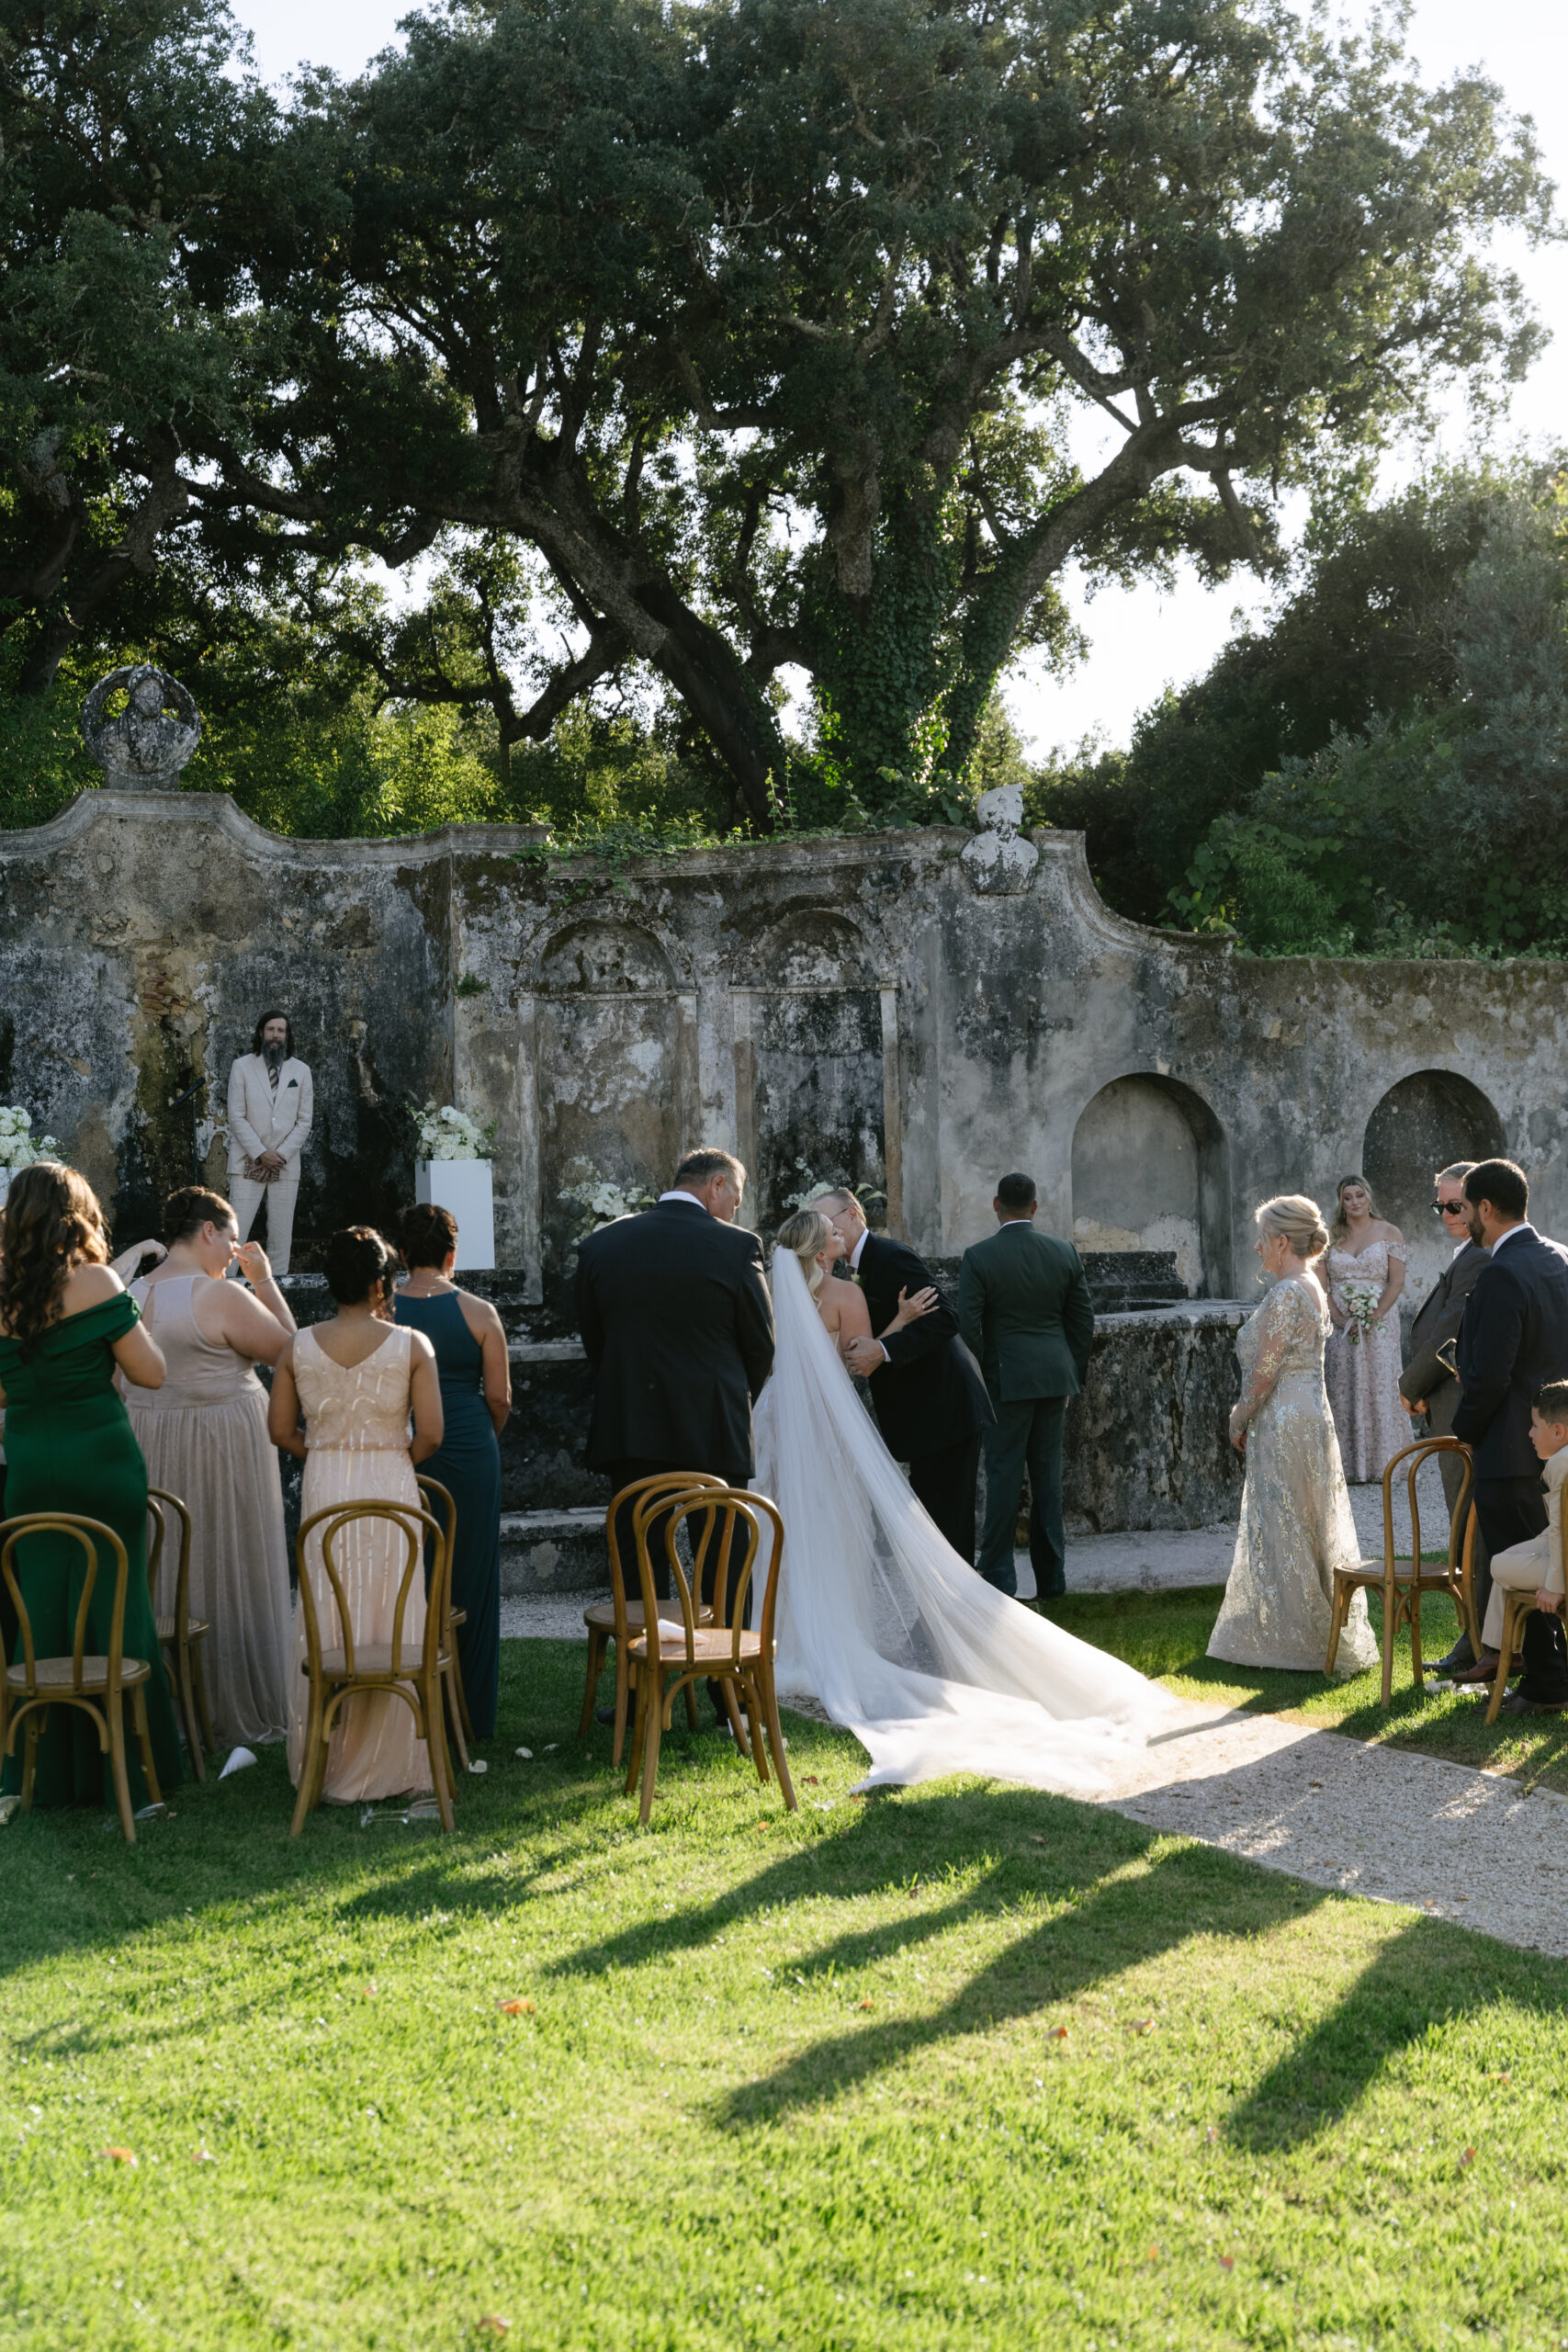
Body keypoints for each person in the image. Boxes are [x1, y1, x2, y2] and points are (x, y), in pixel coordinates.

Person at [751, 1216, 1174, 1793]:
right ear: (822, 1245)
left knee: (787, 1522)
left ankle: (784, 1637)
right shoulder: (847, 1291)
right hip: (825, 1423)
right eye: (829, 1231)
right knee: (836, 1524)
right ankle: (854, 1633)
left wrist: (893, 1330)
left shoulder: (778, 1293)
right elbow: (855, 1360)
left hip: (777, 1418)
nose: (838, 1238)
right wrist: (897, 1322)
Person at [0, 1163, 184, 1812]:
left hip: (28, 1465)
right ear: (74, 1216)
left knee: (40, 1609)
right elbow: (152, 1373)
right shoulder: (97, 1281)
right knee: (114, 1605)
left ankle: (39, 1774)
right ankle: (129, 1775)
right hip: (101, 1462)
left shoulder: (2, 1298)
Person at [575, 1148, 774, 1726]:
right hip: (713, 1430)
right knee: (725, 1561)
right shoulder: (736, 1247)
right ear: (715, 1186)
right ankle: (730, 1692)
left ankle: (642, 1695)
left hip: (632, 1425)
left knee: (641, 1560)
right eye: (734, 1200)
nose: (735, 1213)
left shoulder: (602, 1245)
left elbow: (597, 1344)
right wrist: (729, 1404)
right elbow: (761, 1347)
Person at [270, 1227, 445, 1801]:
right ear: (380, 1283)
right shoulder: (412, 1345)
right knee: (391, 1612)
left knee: (328, 1609)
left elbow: (279, 1431)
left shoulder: (296, 1346)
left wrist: (324, 1452)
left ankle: (324, 1756)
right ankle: (392, 1759)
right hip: (390, 1483)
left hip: (325, 1486)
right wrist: (392, 1459)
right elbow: (433, 1435)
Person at [124, 1185, 296, 1749]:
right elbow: (293, 1353)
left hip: (153, 1444)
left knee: (169, 1564)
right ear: (206, 1232)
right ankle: (234, 1700)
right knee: (231, 1559)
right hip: (225, 1448)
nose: (234, 1249)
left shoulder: (131, 1291)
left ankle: (170, 1705)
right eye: (230, 1235)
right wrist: (264, 1280)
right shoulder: (220, 1296)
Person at [1207, 1195, 1378, 1676]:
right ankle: (1316, 1629)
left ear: (1282, 1242)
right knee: (1305, 1520)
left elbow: (1265, 1369)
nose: (1255, 1246)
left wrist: (1239, 1416)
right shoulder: (1311, 1283)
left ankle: (1296, 1637)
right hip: (1308, 1412)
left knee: (1285, 1519)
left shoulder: (1287, 1292)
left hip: (1284, 1415)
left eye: (1262, 1237)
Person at [820, 1189, 995, 1564]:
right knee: (931, 1525)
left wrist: (884, 1350)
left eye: (828, 1223)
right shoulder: (845, 1273)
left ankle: (950, 1618)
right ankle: (936, 1619)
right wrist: (895, 1326)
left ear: (853, 1215)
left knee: (948, 1525)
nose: (824, 1233)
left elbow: (946, 1318)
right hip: (921, 1416)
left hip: (945, 1407)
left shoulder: (890, 1255)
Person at [1450, 1159, 1568, 1713]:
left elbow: (1491, 1374)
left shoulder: (1500, 1272)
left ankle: (1547, 1685)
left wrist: (1465, 1429)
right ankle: (1540, 1677)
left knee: (1528, 1578)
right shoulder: (1560, 1258)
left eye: (1466, 1208)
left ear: (1487, 1209)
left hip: (1510, 1449)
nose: (1466, 1219)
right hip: (1557, 1440)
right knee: (1551, 1571)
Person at [393, 1202, 511, 1740]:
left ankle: (408, 1701)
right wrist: (485, 1438)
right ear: (451, 1253)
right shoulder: (480, 1312)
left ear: (401, 1253)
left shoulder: (382, 1310)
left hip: (402, 1444)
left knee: (407, 1570)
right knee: (472, 1574)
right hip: (470, 1446)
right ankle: (470, 1713)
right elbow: (500, 1398)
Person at [958, 1173, 1095, 1599]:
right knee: (1047, 1481)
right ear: (1035, 1207)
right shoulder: (1063, 1252)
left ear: (995, 1204)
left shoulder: (980, 1257)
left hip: (1007, 1381)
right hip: (1055, 1379)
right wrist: (1072, 1374)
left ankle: (999, 1577)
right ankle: (1052, 1580)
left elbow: (967, 1325)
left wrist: (986, 1374)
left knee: (1002, 1477)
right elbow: (1082, 1322)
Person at [1398, 1159, 1492, 1674]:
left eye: (1455, 1205)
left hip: (1457, 1407)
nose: (1447, 1214)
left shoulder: (1479, 1255)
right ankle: (1474, 1634)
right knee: (1463, 1522)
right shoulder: (1467, 1251)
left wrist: (1410, 1386)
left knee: (1469, 1523)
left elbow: (1449, 1328)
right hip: (1446, 1402)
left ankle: (1478, 1639)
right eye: (1440, 1206)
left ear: (1478, 1203)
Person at [1450, 1381, 1568, 1682]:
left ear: (1558, 1432)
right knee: (1510, 1559)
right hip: (1559, 1550)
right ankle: (1504, 1652)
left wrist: (1555, 1587)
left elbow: (1559, 1532)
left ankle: (1504, 1653)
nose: (1529, 1433)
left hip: (1564, 1564)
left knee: (1499, 1566)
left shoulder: (1559, 1466)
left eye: (1535, 1425)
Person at [1322, 1174, 1409, 1482]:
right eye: (1348, 1197)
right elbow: (1323, 1286)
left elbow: (1397, 1282)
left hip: (1380, 1322)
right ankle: (1346, 1466)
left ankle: (1385, 1464)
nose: (1355, 1202)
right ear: (1341, 1202)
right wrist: (1341, 1320)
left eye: (1360, 1195)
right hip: (1341, 1323)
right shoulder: (1330, 1235)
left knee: (1380, 1382)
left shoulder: (1389, 1232)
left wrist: (1372, 1318)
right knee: (1342, 1385)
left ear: (1369, 1197)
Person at [227, 1010, 312, 1276]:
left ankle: (278, 1299)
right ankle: (224, 1290)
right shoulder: (241, 1067)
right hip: (246, 1164)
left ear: (288, 1036)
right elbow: (236, 1116)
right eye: (271, 1029)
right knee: (234, 1236)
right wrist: (261, 1153)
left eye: (281, 1030)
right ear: (261, 1033)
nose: (276, 1035)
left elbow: (304, 1121)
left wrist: (280, 1155)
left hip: (285, 1166)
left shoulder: (302, 1071)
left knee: (280, 1239)